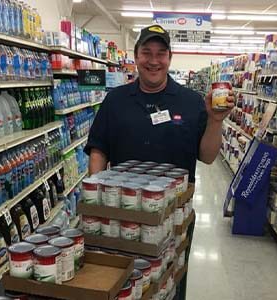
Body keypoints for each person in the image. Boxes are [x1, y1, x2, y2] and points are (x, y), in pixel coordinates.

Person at [84, 24, 234, 299]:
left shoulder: (192, 102)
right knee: (125, 286)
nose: (153, 61)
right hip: (124, 216)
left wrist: (215, 121)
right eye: (146, 52)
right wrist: (97, 203)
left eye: (161, 54)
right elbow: (98, 150)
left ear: (170, 58)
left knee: (169, 286)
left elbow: (209, 157)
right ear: (136, 56)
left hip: (175, 218)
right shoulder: (115, 101)